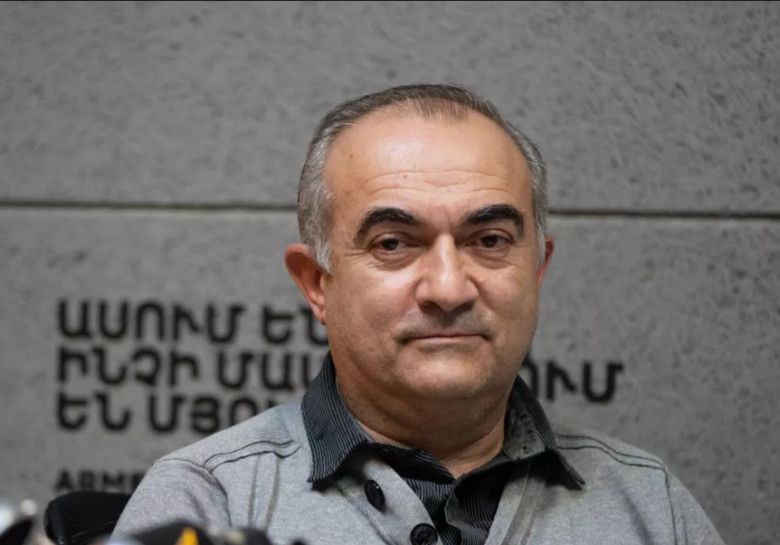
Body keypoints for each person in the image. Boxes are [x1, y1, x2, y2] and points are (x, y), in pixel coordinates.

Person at [112, 84, 724, 545]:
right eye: (393, 244)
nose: (449, 289)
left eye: (489, 240)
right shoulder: (209, 502)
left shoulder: (650, 506)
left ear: (537, 269)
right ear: (317, 284)